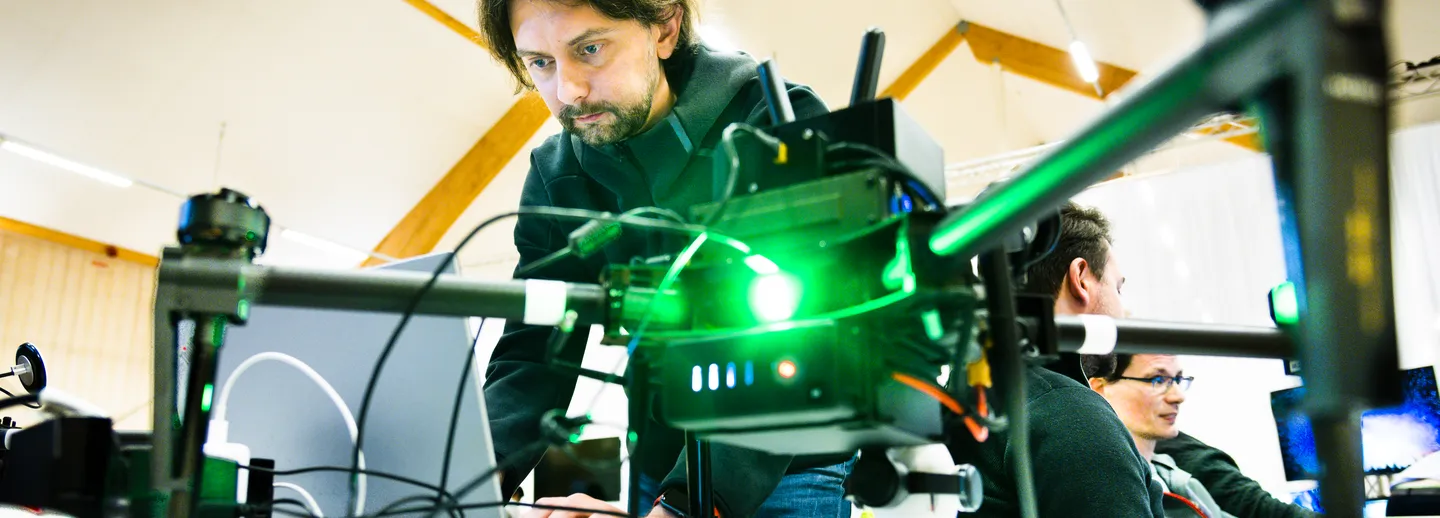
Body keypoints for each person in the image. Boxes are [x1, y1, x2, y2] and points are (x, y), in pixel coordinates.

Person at [473, 0, 854, 516]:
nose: (567, 90)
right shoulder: (555, 172)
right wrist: (474, 481)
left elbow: (802, 336)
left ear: (665, 28)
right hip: (656, 462)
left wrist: (684, 506)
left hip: (789, 464)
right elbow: (533, 350)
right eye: (541, 62)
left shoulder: (774, 122)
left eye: (590, 49)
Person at [952, 201, 1166, 517]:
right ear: (1081, 278)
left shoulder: (973, 395)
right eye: (1117, 288)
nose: (1123, 312)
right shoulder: (1068, 412)